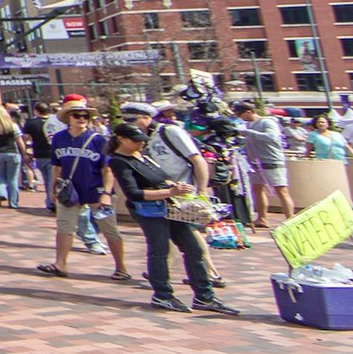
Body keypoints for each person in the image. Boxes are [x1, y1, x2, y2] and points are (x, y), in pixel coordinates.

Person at [106, 121, 238, 315]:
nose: (140, 144)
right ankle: (163, 295)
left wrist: (179, 190)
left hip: (171, 207)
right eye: (135, 141)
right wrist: (169, 191)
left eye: (142, 140)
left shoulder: (142, 157)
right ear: (121, 139)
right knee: (159, 250)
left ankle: (204, 296)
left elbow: (161, 178)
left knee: (193, 249)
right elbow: (133, 193)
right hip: (149, 210)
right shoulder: (119, 161)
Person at [126, 100, 223, 289]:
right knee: (166, 233)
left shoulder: (169, 132)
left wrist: (201, 192)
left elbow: (198, 160)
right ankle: (162, 272)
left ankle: (210, 273)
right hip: (162, 193)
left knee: (190, 234)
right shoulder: (142, 139)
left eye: (132, 119)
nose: (128, 123)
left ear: (147, 117)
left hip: (183, 193)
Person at [37, 99, 128, 279]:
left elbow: (107, 169)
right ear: (68, 118)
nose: (81, 118)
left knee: (109, 229)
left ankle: (121, 268)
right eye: (77, 115)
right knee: (64, 226)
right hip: (70, 190)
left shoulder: (98, 139)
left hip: (96, 190)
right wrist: (52, 189)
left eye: (85, 115)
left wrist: (107, 193)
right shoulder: (59, 138)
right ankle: (60, 264)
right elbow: (56, 166)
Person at [233, 98, 293, 228]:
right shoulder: (249, 125)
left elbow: (272, 137)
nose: (239, 118)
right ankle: (262, 218)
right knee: (257, 189)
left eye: (239, 114)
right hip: (255, 162)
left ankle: (290, 220)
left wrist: (248, 133)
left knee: (281, 190)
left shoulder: (267, 122)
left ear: (248, 112)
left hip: (272, 160)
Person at [24, 101, 57, 208]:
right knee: (53, 180)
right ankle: (53, 201)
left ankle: (50, 201)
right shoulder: (56, 122)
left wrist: (27, 151)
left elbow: (27, 139)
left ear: (36, 111)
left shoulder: (31, 123)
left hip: (40, 154)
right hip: (55, 153)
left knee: (47, 179)